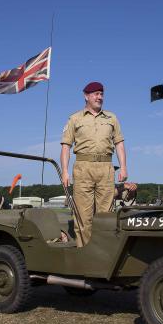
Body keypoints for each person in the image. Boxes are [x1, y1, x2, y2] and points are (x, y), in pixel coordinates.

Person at [60, 81, 127, 247]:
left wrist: (124, 167)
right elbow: (66, 147)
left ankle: (104, 253)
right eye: (96, 94)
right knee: (84, 215)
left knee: (106, 215)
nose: (100, 97)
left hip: (106, 167)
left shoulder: (112, 118)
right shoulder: (74, 118)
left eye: (101, 94)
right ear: (86, 96)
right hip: (83, 167)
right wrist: (65, 172)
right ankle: (85, 255)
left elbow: (119, 144)